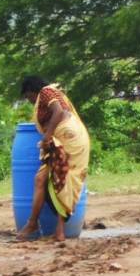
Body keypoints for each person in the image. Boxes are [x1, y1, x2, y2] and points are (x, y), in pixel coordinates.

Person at [17, 75, 91, 243]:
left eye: (28, 96)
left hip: (68, 138)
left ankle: (35, 224)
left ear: (32, 90)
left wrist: (47, 138)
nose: (29, 101)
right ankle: (54, 230)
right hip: (71, 137)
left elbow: (59, 112)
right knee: (55, 180)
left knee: (62, 180)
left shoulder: (46, 92)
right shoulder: (52, 93)